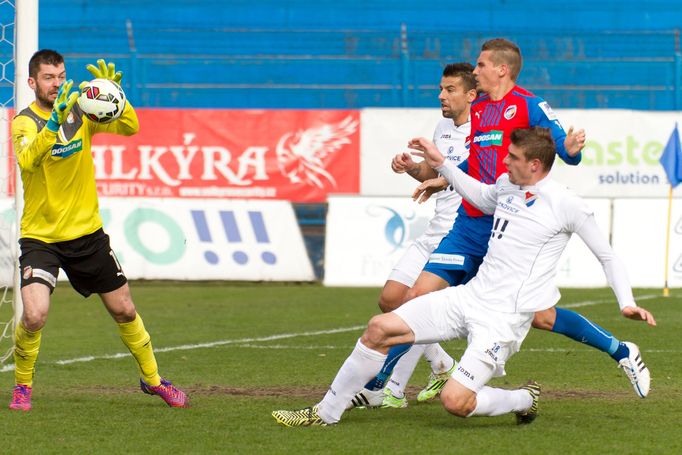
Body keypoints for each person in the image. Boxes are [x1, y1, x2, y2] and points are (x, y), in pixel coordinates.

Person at [272, 126, 656, 427]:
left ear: (535, 165)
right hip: (468, 298)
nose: (504, 161)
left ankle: (523, 398)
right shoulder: (508, 185)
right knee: (378, 328)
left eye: (513, 157)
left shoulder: (566, 204)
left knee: (455, 402)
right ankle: (324, 413)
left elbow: (607, 256)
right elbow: (477, 194)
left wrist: (627, 303)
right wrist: (441, 163)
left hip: (502, 321)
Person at [352, 37, 649, 409]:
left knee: (540, 315)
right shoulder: (480, 111)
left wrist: (572, 150)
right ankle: (383, 385)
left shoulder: (528, 105)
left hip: (512, 228)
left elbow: (559, 149)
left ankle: (619, 349)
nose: (474, 71)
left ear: (501, 69)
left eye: (480, 65)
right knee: (413, 297)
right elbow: (477, 164)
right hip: (471, 223)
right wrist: (442, 176)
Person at [9, 49, 189, 411]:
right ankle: (22, 386)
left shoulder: (81, 108)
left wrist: (118, 101)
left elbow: (131, 128)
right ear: (32, 82)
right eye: (48, 77)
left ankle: (154, 381)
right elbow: (28, 160)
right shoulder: (24, 122)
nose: (57, 83)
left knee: (124, 310)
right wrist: (54, 121)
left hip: (88, 234)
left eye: (61, 76)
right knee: (34, 315)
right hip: (42, 238)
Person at [350, 63, 476, 409]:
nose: (441, 96)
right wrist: (411, 168)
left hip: (461, 235)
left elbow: (477, 181)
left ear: (471, 94)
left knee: (416, 307)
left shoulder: (484, 133)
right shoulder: (443, 127)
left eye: (449, 89)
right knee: (390, 300)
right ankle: (441, 365)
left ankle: (390, 389)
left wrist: (444, 179)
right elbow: (432, 174)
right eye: (440, 88)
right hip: (435, 230)